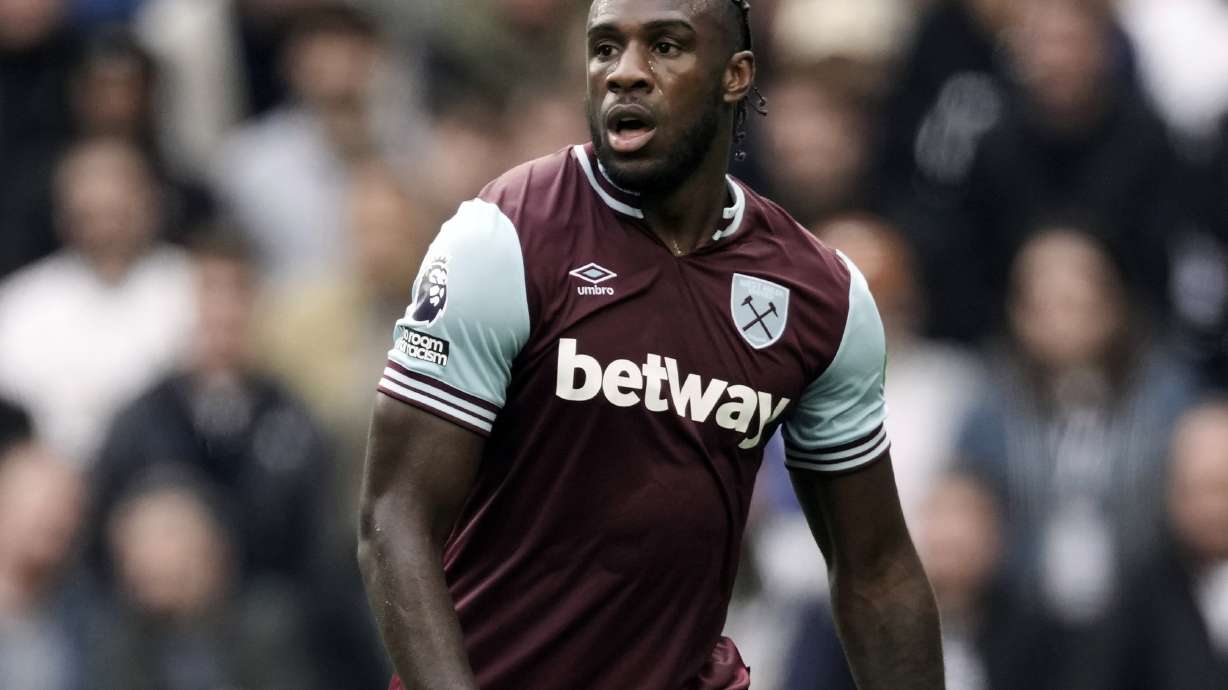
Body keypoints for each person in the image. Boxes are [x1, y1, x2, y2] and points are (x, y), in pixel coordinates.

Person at [356, 1, 944, 689]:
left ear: (735, 75)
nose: (624, 73)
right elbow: (395, 521)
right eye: (605, 48)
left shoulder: (822, 296)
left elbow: (876, 570)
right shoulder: (505, 238)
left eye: (665, 46)